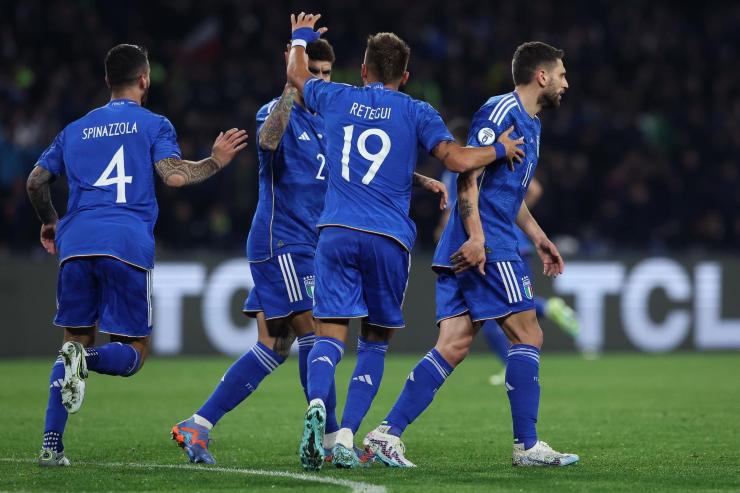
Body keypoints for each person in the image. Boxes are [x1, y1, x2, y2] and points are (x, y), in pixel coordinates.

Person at [286, 13, 525, 470]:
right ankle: (346, 436)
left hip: (335, 231)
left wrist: (300, 37)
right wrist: (500, 149)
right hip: (387, 238)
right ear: (406, 75)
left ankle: (317, 404)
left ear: (363, 70)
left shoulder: (336, 96)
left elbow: (297, 74)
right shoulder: (417, 111)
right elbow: (457, 160)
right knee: (375, 340)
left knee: (328, 334)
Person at [27, 44, 247, 467]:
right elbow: (175, 176)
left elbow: (36, 182)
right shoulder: (154, 124)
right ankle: (86, 360)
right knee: (135, 351)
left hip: (76, 243)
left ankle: (51, 446)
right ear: (144, 79)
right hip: (125, 243)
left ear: (107, 81)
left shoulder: (74, 129)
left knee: (73, 340)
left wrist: (50, 221)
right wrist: (215, 162)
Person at [364, 41, 580, 467]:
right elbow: (468, 176)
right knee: (528, 335)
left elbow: (508, 193)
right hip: (486, 244)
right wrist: (478, 237)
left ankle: (385, 435)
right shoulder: (500, 113)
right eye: (561, 74)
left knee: (454, 344)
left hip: (477, 242)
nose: (565, 83)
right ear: (541, 76)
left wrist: (538, 236)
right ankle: (527, 446)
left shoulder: (532, 125)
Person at [438, 167, 580, 386]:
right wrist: (506, 213)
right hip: (515, 243)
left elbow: (452, 212)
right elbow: (534, 189)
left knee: (496, 314)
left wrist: (443, 235)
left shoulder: (460, 167)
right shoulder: (501, 163)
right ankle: (547, 309)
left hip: (492, 247)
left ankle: (512, 367)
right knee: (517, 310)